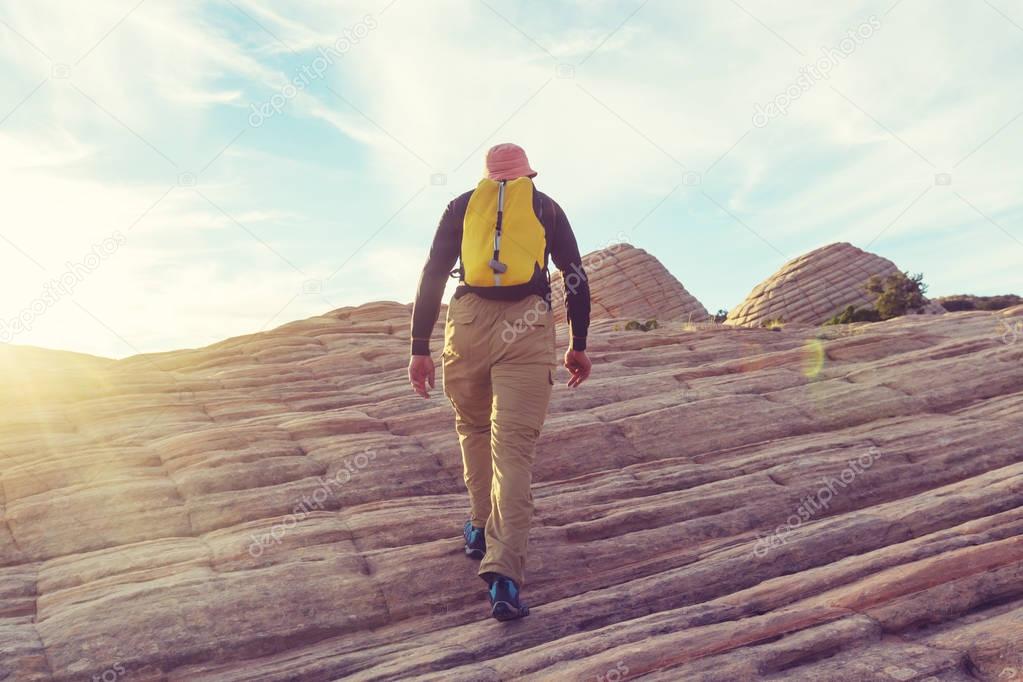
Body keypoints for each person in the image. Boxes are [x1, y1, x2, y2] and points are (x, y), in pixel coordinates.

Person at [407, 143, 592, 620]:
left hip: (466, 323)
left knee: (472, 429)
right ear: (527, 173)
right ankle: (504, 575)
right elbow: (574, 276)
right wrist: (578, 343)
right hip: (527, 325)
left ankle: (478, 525)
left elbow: (432, 274)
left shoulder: (462, 206)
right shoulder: (546, 207)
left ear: (489, 176)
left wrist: (418, 348)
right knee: (512, 450)